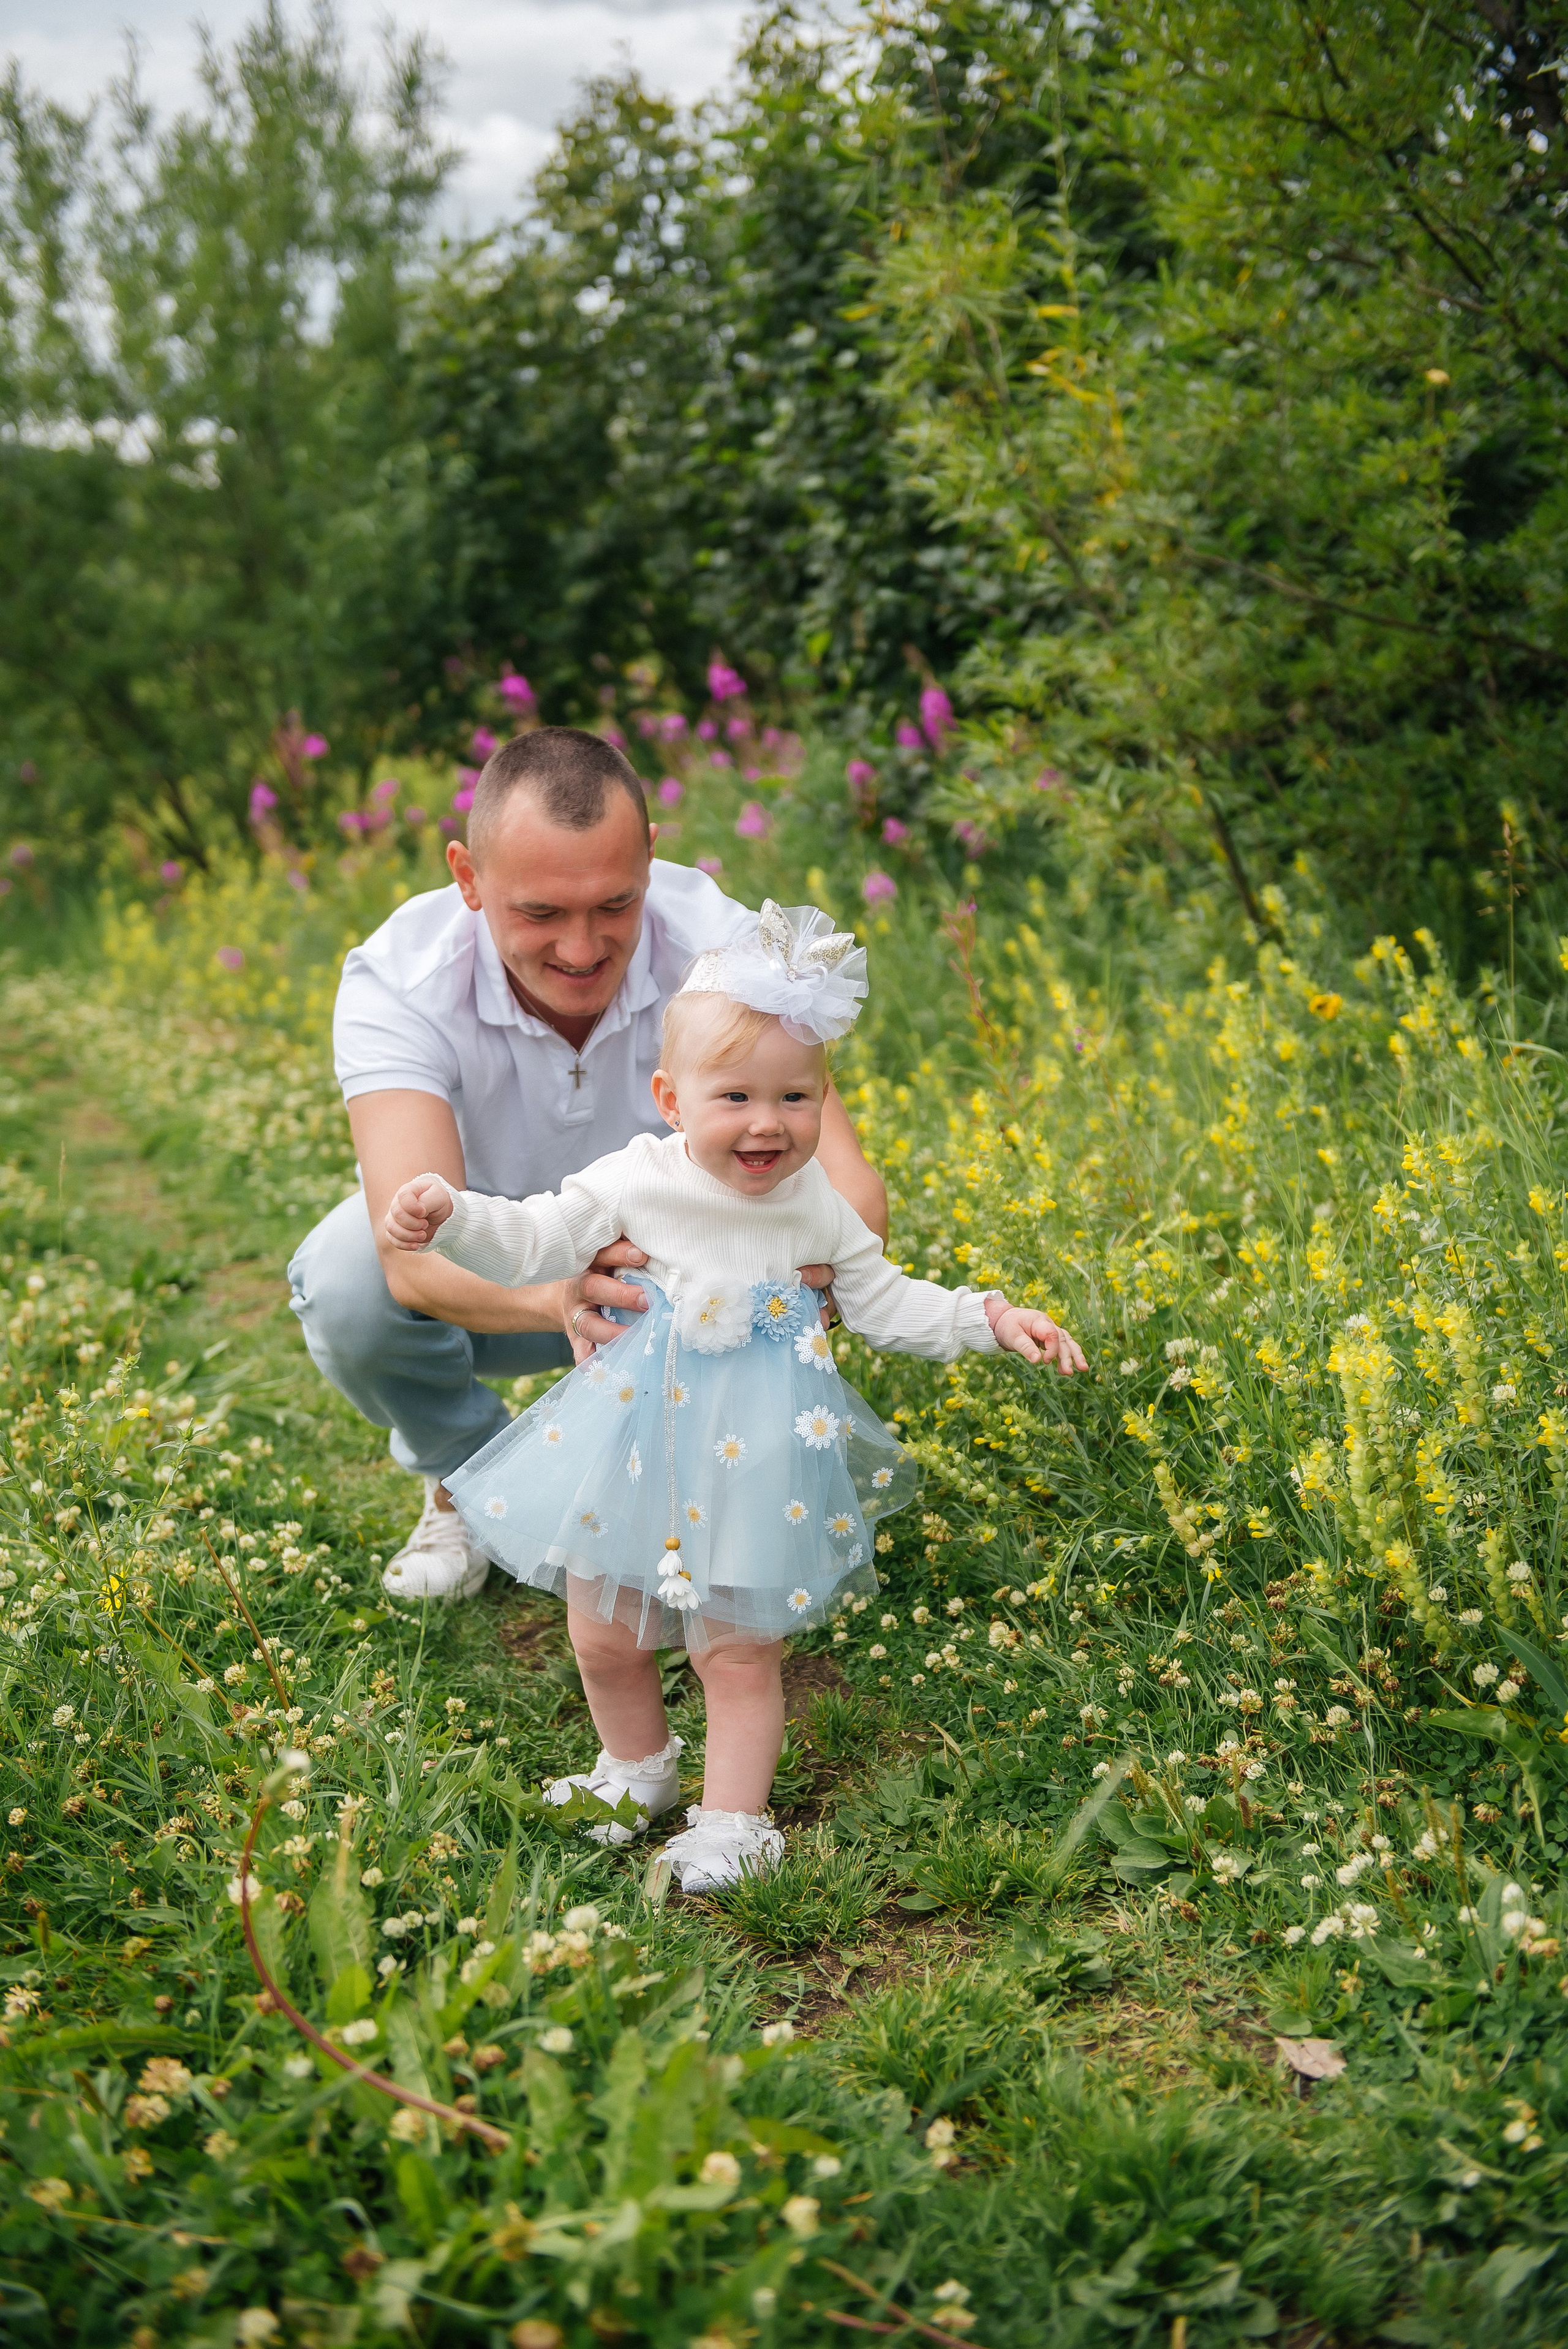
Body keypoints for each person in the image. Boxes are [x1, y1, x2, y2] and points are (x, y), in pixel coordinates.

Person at [382, 899, 1088, 1891]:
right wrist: (452, 1214)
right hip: (633, 1445)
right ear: (672, 1099)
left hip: (757, 1459)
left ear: (823, 1098)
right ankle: (636, 1770)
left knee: (738, 1649)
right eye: (737, 1099)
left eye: (797, 1099)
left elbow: (884, 1301)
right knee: (602, 1627)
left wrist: (988, 1317)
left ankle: (734, 1820)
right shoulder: (637, 1179)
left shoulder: (815, 1208)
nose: (768, 1123)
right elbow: (537, 1237)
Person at [287, 728, 888, 1603]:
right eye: (539, 913)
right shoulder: (397, 979)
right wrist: (558, 1297)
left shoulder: (724, 948)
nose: (581, 948)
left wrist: (811, 1289)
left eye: (615, 904)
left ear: (651, 856)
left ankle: (699, 1484)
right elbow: (408, 1260)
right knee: (344, 1280)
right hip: (500, 1252)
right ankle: (467, 1472)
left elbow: (851, 1182)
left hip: (676, 1261)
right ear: (468, 877)